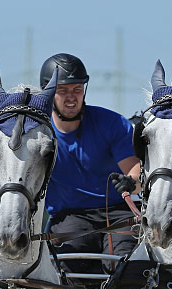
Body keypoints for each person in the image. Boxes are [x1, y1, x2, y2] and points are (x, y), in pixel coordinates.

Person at [40, 53, 141, 274]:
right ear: (47, 94)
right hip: (70, 217)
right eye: (63, 91)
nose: (71, 97)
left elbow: (135, 171)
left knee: (124, 267)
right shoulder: (39, 134)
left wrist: (131, 183)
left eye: (77, 90)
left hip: (118, 212)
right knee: (66, 269)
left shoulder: (113, 124)